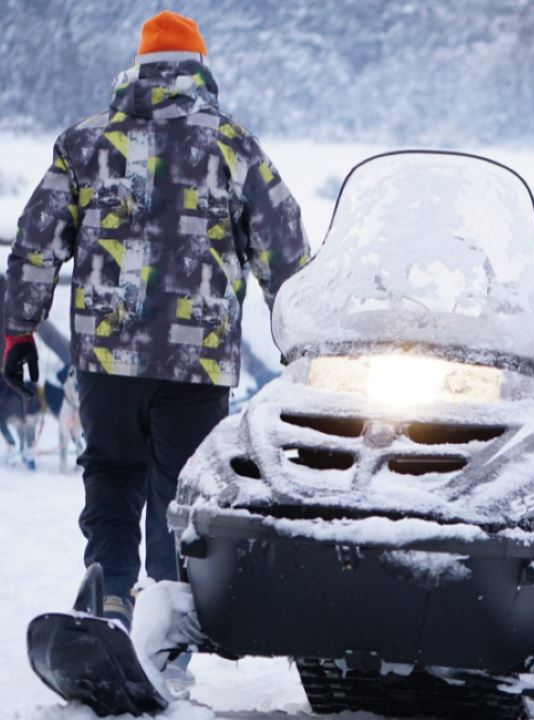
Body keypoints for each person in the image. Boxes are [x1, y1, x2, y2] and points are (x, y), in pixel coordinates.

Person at [3, 12, 310, 635]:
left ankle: (111, 593)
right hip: (196, 362)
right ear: (201, 70)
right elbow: (286, 252)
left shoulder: (84, 142)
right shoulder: (232, 144)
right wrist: (303, 341)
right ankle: (163, 623)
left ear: (135, 70)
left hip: (106, 359)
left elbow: (36, 245)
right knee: (182, 490)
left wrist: (17, 330)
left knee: (111, 471)